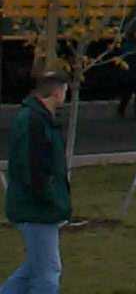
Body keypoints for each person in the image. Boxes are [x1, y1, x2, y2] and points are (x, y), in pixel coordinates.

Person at [2, 72, 71, 294]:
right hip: (36, 209)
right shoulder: (34, 121)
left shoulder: (39, 119)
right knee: (48, 272)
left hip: (34, 207)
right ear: (57, 92)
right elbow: (33, 171)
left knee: (34, 268)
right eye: (65, 91)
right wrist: (52, 201)